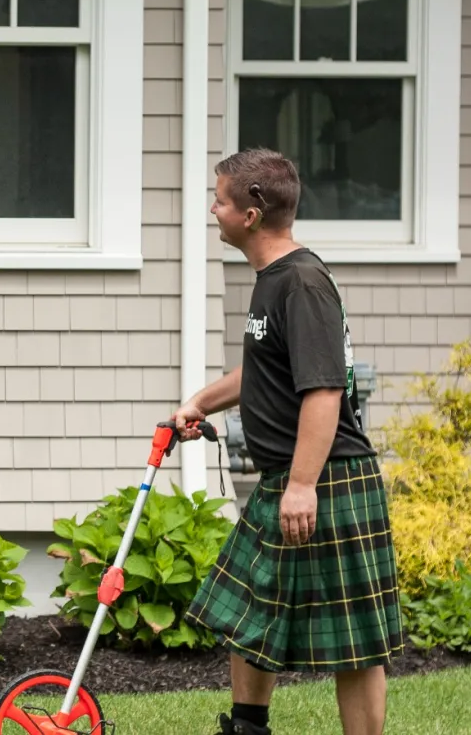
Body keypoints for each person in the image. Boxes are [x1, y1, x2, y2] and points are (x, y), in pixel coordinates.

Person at [172, 148, 402, 735]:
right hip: (288, 478)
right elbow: (266, 369)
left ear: (250, 212)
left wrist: (302, 485)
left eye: (220, 199)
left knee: (353, 638)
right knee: (244, 609)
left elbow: (324, 389)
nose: (212, 210)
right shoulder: (274, 280)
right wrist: (200, 401)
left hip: (328, 478)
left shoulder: (301, 282)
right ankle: (248, 727)